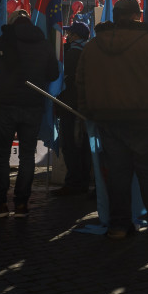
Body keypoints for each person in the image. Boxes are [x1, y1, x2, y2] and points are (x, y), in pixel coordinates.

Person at [77, 0, 148, 239]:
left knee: (117, 174)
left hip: (107, 119)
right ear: (136, 15)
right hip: (146, 117)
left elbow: (80, 81)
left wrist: (87, 112)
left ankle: (119, 226)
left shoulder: (92, 45)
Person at [0, 9, 59, 219]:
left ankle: (0, 202)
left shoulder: (3, 41)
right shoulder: (44, 43)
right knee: (27, 155)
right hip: (33, 105)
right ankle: (21, 203)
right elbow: (53, 74)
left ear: (12, 24)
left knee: (1, 156)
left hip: (6, 104)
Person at [52, 22, 91, 197]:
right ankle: (82, 181)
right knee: (82, 146)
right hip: (86, 106)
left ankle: (74, 182)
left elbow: (64, 81)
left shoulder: (72, 54)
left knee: (70, 145)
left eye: (70, 34)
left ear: (76, 36)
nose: (68, 36)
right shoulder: (90, 52)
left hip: (70, 106)